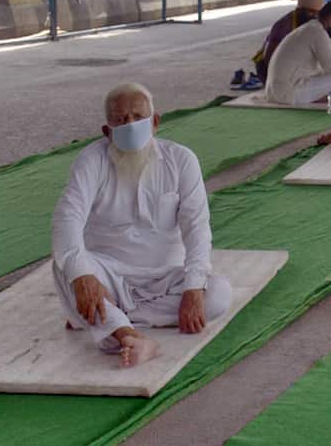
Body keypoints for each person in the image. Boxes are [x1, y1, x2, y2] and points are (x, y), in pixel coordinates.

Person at [51, 83, 232, 368]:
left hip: (165, 279)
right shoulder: (91, 161)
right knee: (66, 267)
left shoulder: (182, 160)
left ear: (156, 122)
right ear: (107, 131)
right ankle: (130, 335)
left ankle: (103, 318)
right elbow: (67, 218)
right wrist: (83, 277)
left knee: (219, 294)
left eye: (138, 117)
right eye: (121, 120)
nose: (130, 125)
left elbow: (197, 227)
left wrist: (194, 288)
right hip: (108, 275)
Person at [265, 0, 331, 105]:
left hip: (274, 91)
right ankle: (316, 98)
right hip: (286, 93)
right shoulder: (317, 32)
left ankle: (315, 96)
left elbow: (325, 67)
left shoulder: (310, 27)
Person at [252, 0, 326, 82]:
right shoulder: (284, 25)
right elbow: (270, 58)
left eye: (316, 13)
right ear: (300, 9)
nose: (314, 16)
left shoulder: (309, 23)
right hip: (268, 68)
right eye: (311, 12)